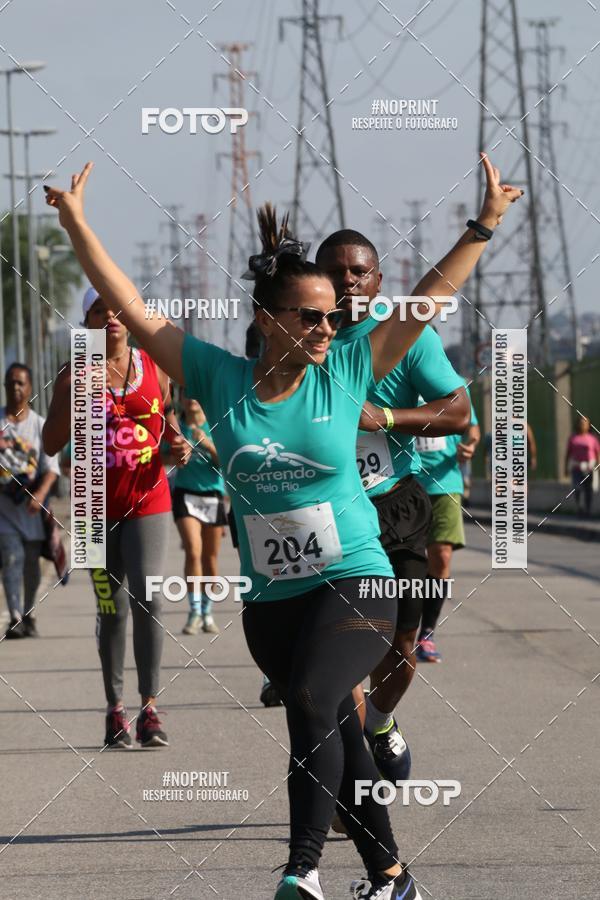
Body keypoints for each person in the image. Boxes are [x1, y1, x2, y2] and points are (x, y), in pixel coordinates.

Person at [44, 157, 520, 900]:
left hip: (357, 578)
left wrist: (483, 224)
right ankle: (393, 878)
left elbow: (427, 300)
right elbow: (130, 305)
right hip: (271, 604)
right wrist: (76, 222)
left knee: (312, 700)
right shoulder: (218, 378)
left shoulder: (348, 368)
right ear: (268, 321)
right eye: (311, 316)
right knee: (339, 733)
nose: (329, 327)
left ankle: (302, 870)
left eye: (333, 316)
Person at [317, 235, 469, 786]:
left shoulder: (407, 337)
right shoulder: (302, 340)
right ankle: (352, 772)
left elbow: (458, 411)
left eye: (359, 272)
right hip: (327, 512)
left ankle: (379, 722)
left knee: (402, 643)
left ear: (378, 281)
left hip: (396, 505)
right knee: (346, 645)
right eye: (336, 272)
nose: (348, 281)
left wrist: (385, 417)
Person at [43, 287, 186, 749]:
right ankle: (115, 710)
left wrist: (177, 445)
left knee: (151, 598)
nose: (110, 317)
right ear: (87, 322)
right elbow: (50, 443)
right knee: (112, 607)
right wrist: (77, 394)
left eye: (117, 309)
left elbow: (168, 423)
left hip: (148, 499)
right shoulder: (72, 374)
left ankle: (150, 709)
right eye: (98, 310)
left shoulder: (153, 366)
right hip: (91, 508)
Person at [415, 395, 480, 662]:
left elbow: (472, 426)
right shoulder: (394, 377)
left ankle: (426, 633)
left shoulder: (451, 385)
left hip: (445, 484)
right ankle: (398, 632)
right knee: (404, 564)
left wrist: (470, 445)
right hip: (403, 482)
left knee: (441, 557)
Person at [0, 363, 60, 638]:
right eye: (11, 382)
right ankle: (14, 617)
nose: (15, 387)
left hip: (32, 511)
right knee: (12, 558)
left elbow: (51, 469)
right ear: (4, 387)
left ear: (30, 388)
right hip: (4, 512)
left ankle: (28, 612)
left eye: (20, 383)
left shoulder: (39, 425)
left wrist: (40, 495)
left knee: (32, 565)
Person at [172, 396, 227, 635]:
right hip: (185, 494)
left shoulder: (216, 423)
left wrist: (207, 444)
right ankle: (194, 612)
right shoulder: (176, 426)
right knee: (193, 551)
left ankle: (207, 612)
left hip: (212, 495)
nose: (192, 399)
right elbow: (163, 456)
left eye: (196, 394)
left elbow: (226, 463)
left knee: (210, 558)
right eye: (187, 394)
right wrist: (177, 457)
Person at [565, 415, 600, 517]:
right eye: (581, 423)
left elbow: (597, 452)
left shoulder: (592, 438)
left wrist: (598, 465)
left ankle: (587, 510)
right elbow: (568, 453)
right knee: (577, 488)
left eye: (585, 423)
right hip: (577, 467)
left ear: (588, 425)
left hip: (589, 467)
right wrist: (565, 468)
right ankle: (579, 508)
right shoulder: (573, 438)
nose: (582, 425)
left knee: (588, 489)